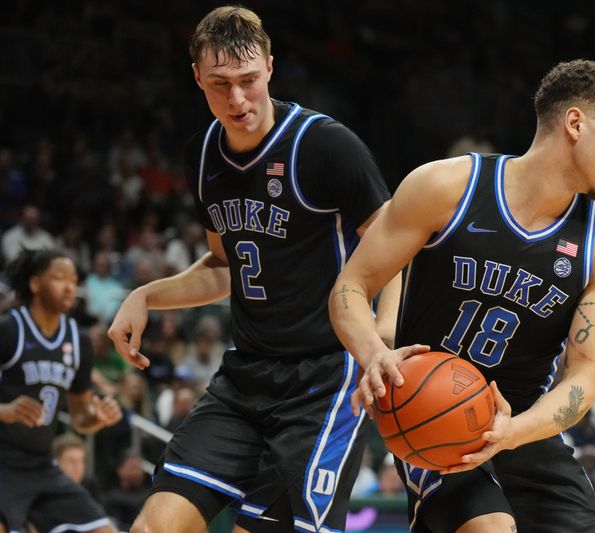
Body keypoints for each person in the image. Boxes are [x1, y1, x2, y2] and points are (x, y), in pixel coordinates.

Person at [106, 6, 395, 533]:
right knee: (153, 526)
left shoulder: (326, 145)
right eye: (220, 84)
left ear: (270, 67)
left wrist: (382, 337)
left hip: (324, 378)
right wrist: (146, 295)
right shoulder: (203, 157)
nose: (237, 99)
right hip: (245, 376)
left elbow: (395, 250)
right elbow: (224, 266)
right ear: (197, 79)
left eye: (248, 81)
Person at [330, 59, 595, 532]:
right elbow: (350, 287)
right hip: (432, 411)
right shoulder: (447, 186)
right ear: (576, 123)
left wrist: (515, 430)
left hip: (523, 424)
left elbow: (583, 378)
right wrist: (373, 353)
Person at [0, 248, 123, 533]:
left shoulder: (79, 341)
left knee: (105, 530)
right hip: (3, 462)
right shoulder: (9, 330)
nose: (70, 286)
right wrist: (5, 411)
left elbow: (80, 418)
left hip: (42, 465)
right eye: (59, 278)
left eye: (74, 279)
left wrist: (98, 418)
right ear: (35, 284)